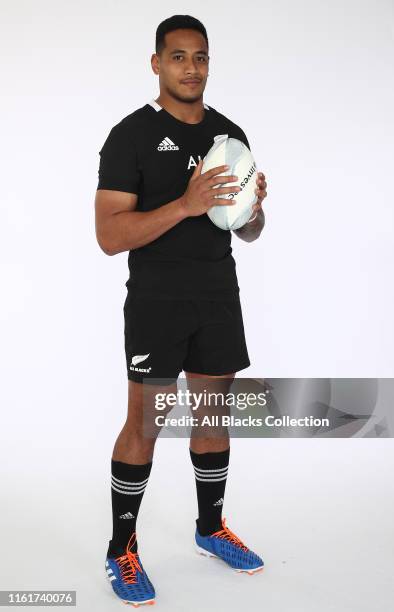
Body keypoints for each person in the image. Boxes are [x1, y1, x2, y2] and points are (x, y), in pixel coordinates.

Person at [95, 14, 268, 607]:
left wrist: (251, 208)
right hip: (156, 302)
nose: (191, 68)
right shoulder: (130, 136)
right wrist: (188, 203)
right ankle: (122, 548)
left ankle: (209, 526)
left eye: (200, 57)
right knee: (147, 423)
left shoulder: (230, 133)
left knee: (214, 418)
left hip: (219, 294)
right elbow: (110, 235)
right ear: (157, 64)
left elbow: (248, 231)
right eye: (178, 57)